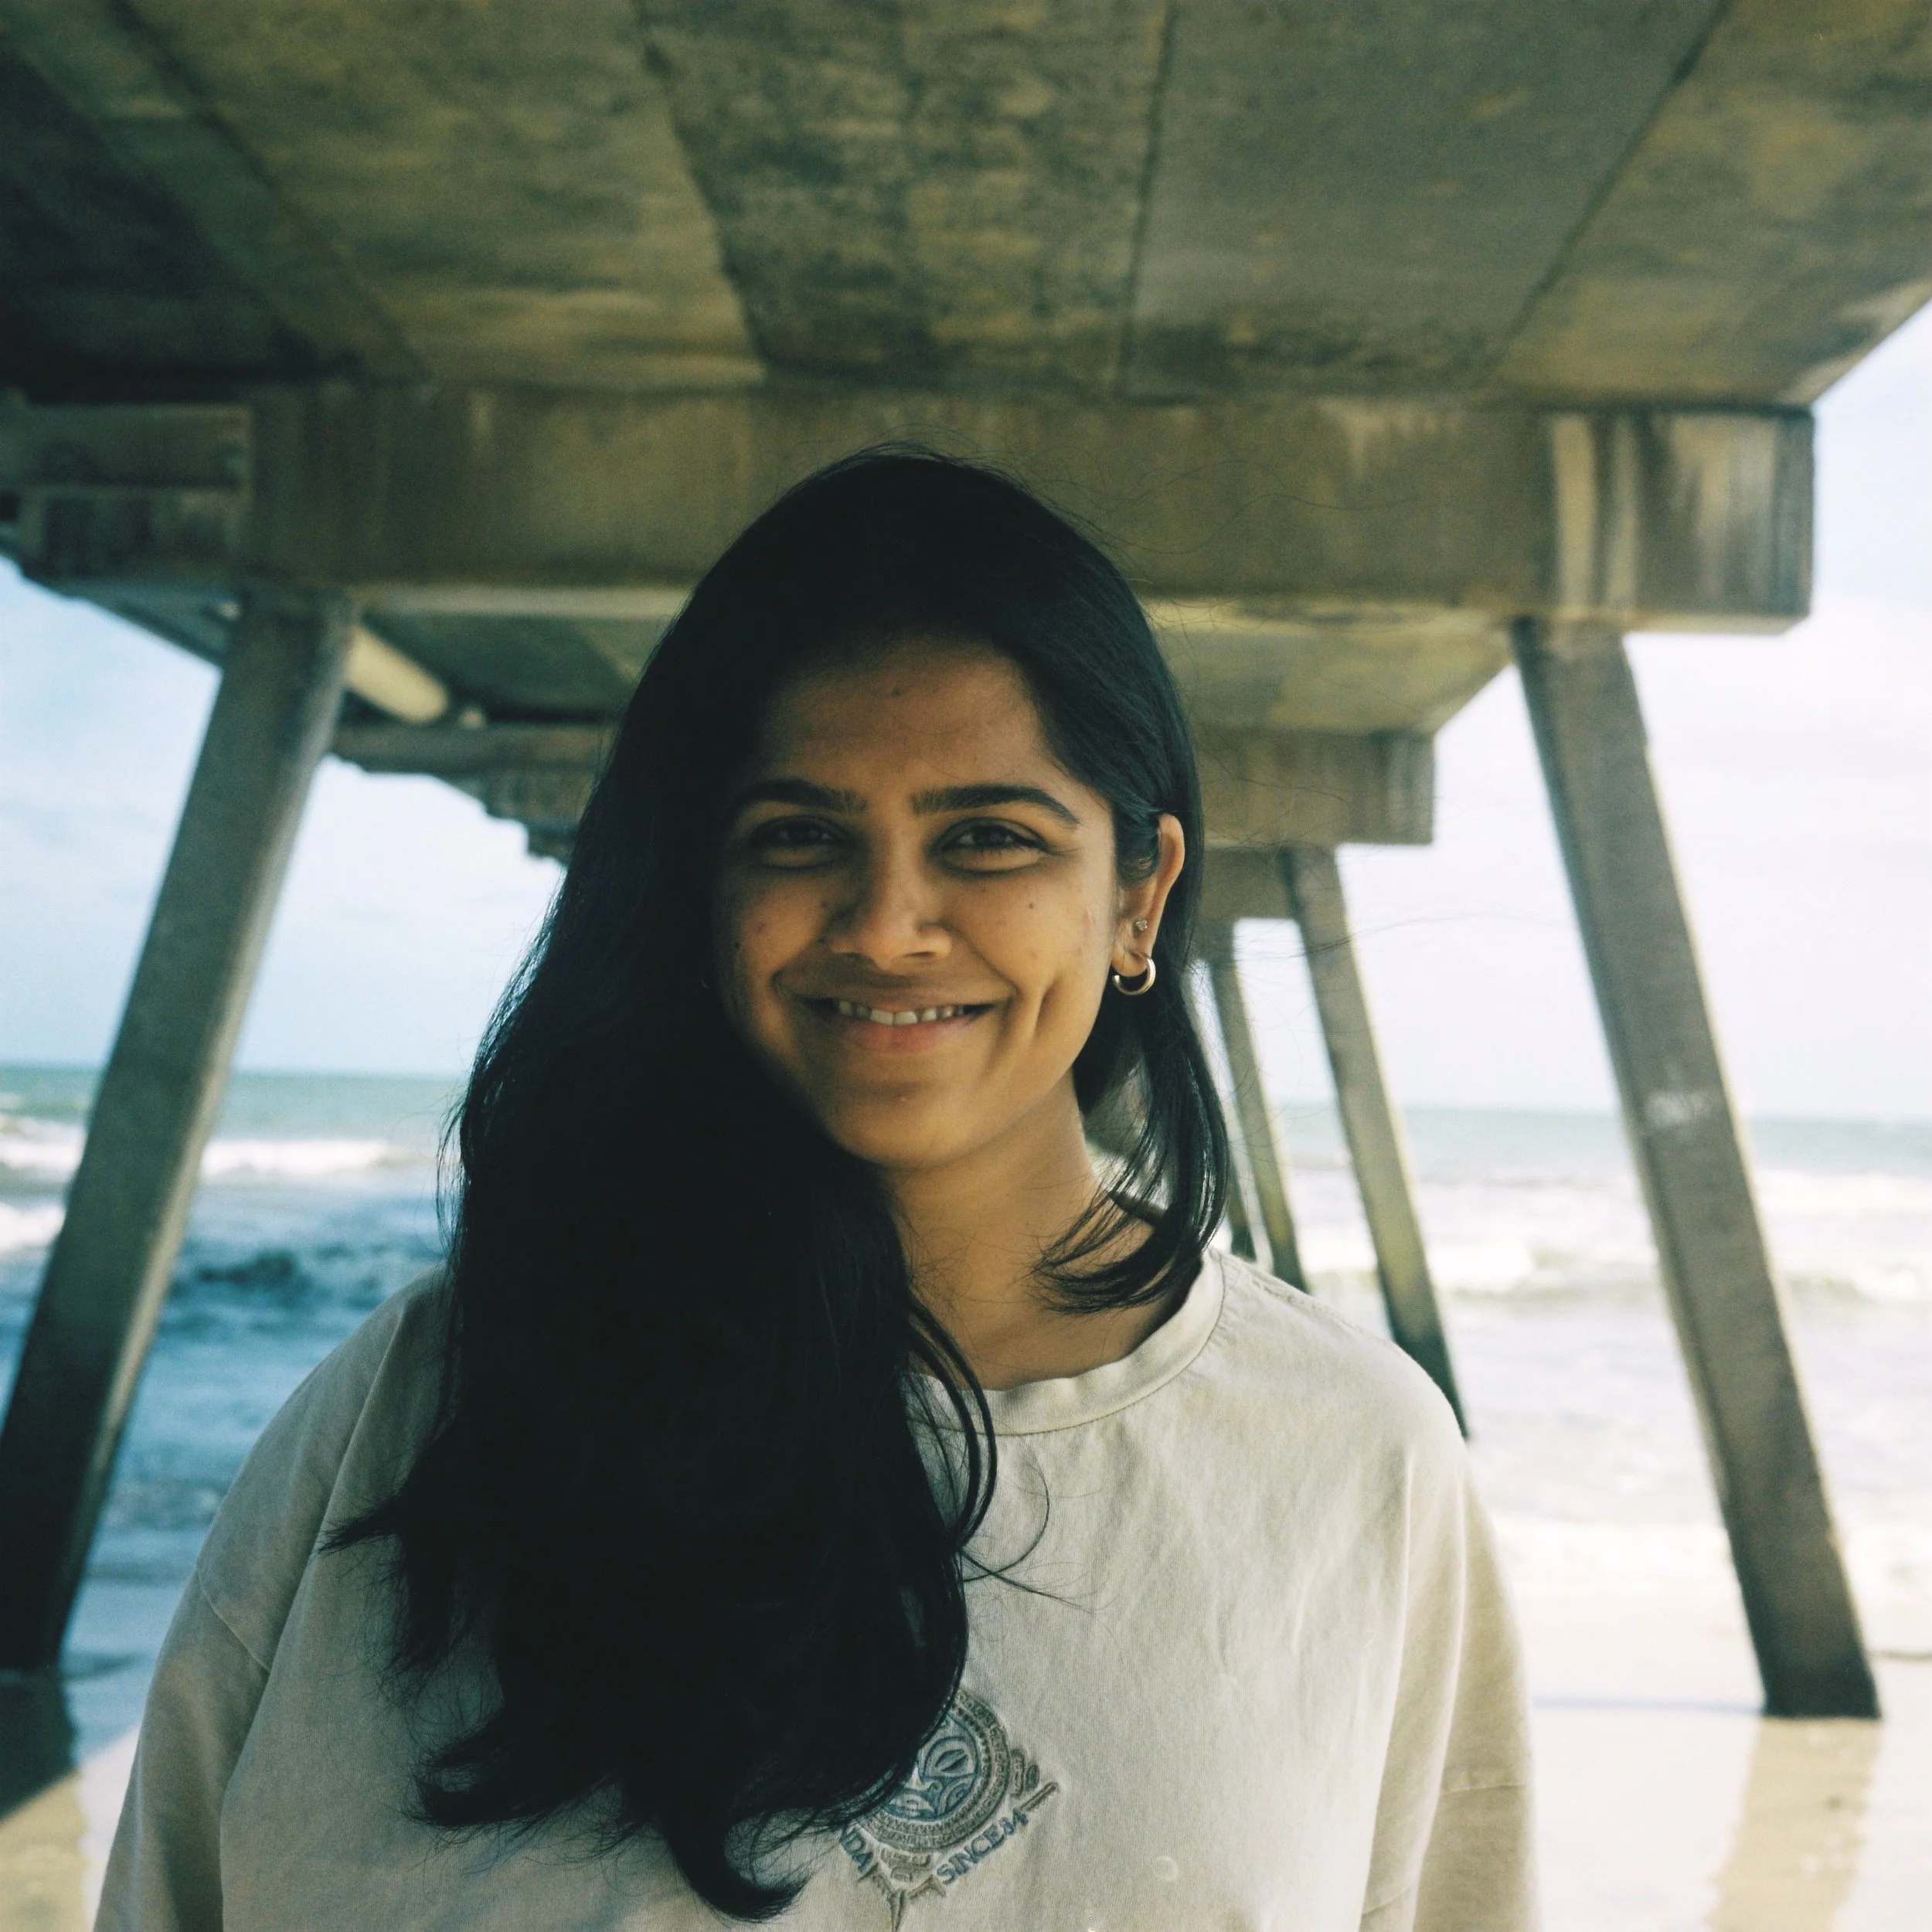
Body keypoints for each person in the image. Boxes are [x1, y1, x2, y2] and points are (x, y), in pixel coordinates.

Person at [100, 451, 1536, 1930]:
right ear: (698, 891)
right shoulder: (424, 1409)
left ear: (1139, 896)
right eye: (800, 838)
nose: (887, 924)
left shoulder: (1354, 1462)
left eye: (989, 839)